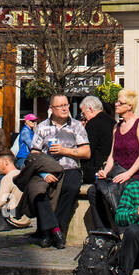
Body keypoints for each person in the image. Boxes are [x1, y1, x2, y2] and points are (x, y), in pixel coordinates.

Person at [28, 95, 89, 243]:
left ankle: (56, 231)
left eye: (66, 105)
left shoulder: (76, 126)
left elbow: (86, 152)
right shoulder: (42, 127)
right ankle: (50, 230)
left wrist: (64, 151)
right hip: (47, 169)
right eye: (60, 106)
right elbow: (34, 153)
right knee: (38, 190)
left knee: (71, 187)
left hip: (70, 168)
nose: (64, 108)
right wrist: (43, 173)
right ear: (51, 109)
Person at [89, 90, 139, 233]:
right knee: (94, 190)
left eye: (120, 102)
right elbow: (112, 156)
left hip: (135, 174)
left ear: (129, 106)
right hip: (118, 173)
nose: (116, 104)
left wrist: (128, 174)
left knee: (120, 189)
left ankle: (123, 232)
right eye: (117, 101)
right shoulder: (116, 127)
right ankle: (103, 230)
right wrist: (105, 171)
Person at [79, 95, 114, 185]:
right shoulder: (113, 121)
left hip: (95, 171)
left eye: (83, 113)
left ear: (90, 109)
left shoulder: (92, 124)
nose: (84, 117)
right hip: (111, 168)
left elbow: (87, 150)